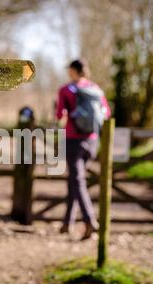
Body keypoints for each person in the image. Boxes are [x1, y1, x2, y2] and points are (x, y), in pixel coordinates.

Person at [56, 59, 111, 239]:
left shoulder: (65, 90)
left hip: (73, 140)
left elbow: (60, 115)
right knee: (76, 179)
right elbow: (106, 113)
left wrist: (62, 117)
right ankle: (67, 223)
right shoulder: (95, 89)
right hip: (92, 141)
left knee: (77, 181)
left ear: (73, 70)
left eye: (69, 70)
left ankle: (90, 221)